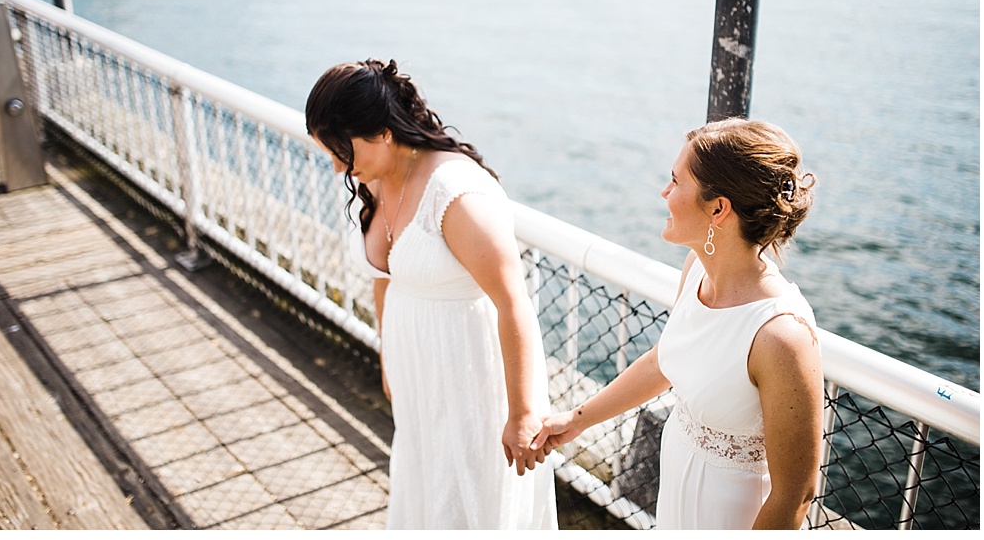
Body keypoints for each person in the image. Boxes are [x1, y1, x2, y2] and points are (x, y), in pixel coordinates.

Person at [530, 117, 824, 530]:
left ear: (718, 209)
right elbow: (663, 361)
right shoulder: (696, 271)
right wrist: (576, 420)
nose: (664, 193)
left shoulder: (781, 335)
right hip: (673, 509)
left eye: (675, 181)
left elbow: (795, 495)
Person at [304, 58, 557, 530]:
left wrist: (523, 413)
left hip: (470, 378)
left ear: (381, 132)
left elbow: (512, 301)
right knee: (426, 493)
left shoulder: (456, 194)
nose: (339, 167)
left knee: (469, 502)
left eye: (343, 152)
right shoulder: (378, 179)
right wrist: (388, 359)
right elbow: (385, 278)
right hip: (419, 374)